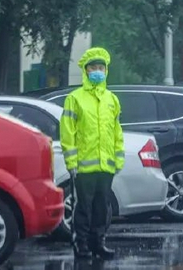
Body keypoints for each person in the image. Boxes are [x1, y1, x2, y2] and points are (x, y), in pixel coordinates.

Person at [60, 47, 125, 260]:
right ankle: (82, 244)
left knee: (102, 208)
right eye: (93, 67)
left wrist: (118, 157)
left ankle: (99, 243)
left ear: (106, 70)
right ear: (86, 71)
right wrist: (72, 162)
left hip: (106, 166)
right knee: (83, 209)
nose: (97, 71)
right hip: (84, 167)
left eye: (101, 67)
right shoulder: (75, 98)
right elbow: (67, 132)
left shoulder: (111, 99)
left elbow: (116, 131)